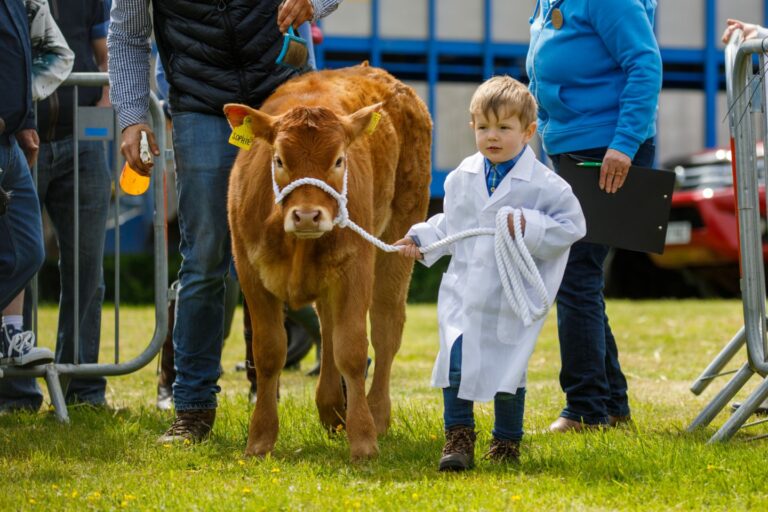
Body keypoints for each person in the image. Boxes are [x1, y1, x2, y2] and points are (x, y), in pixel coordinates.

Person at [108, 0, 343, 443]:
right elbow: (126, 37)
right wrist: (132, 117)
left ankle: (336, 376)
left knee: (308, 241)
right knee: (205, 254)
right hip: (201, 104)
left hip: (282, 93)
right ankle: (193, 408)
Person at [395, 76, 586, 471]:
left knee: (508, 369)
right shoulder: (461, 177)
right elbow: (453, 225)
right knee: (455, 363)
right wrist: (421, 236)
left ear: (528, 131)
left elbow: (572, 226)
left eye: (504, 128)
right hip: (465, 290)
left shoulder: (547, 185)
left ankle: (506, 443)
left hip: (509, 293)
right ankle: (459, 437)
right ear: (472, 128)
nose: (492, 136)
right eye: (483, 127)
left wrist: (528, 226)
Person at [526, 0, 662, 432]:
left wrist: (623, 144)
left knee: (575, 273)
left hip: (607, 150)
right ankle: (611, 406)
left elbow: (645, 63)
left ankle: (586, 409)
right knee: (577, 272)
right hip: (571, 148)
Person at [0, 0, 113, 412]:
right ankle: (16, 391)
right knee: (19, 263)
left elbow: (107, 54)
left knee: (87, 269)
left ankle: (82, 387)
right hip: (19, 143)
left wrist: (103, 110)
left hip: (82, 141)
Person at [0, 0, 54, 369]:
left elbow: (19, 57)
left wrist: (26, 120)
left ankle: (9, 334)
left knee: (29, 250)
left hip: (10, 138)